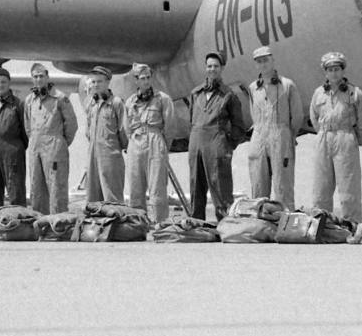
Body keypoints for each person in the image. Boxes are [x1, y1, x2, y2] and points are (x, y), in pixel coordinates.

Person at [309, 52, 362, 223]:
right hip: (324, 138)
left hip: (345, 138)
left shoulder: (355, 93)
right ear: (325, 72)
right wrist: (323, 133)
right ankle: (320, 226)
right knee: (321, 188)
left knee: (348, 188)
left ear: (343, 71)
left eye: (337, 69)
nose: (334, 73)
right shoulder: (318, 94)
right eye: (330, 69)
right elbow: (314, 116)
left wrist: (353, 138)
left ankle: (352, 226)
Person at [188, 52, 249, 221]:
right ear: (205, 68)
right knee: (195, 186)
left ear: (221, 69)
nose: (212, 69)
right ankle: (197, 224)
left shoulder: (229, 95)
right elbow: (192, 119)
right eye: (209, 66)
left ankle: (224, 224)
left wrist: (226, 145)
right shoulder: (195, 93)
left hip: (217, 144)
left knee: (221, 187)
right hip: (196, 144)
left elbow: (239, 127)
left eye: (215, 66)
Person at [246, 45, 306, 209]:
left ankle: (285, 225)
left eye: (266, 60)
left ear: (273, 61)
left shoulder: (287, 85)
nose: (263, 64)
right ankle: (260, 224)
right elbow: (253, 113)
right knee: (258, 184)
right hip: (259, 134)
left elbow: (297, 115)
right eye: (259, 61)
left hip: (281, 134)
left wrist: (287, 135)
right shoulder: (253, 88)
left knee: (283, 186)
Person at [24, 62, 78, 214]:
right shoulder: (29, 100)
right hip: (35, 147)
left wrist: (60, 143)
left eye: (41, 76)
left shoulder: (59, 98)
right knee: (36, 186)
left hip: (54, 146)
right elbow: (28, 125)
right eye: (35, 76)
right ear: (32, 79)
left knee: (56, 186)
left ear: (47, 77)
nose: (39, 79)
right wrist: (35, 140)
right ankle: (40, 223)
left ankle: (59, 223)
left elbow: (71, 124)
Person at [123, 63, 174, 221]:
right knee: (135, 188)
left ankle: (160, 224)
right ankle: (138, 225)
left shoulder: (163, 99)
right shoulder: (130, 102)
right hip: (136, 142)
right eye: (142, 78)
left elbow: (170, 126)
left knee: (157, 187)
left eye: (148, 78)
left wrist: (162, 146)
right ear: (136, 80)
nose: (146, 81)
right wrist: (133, 141)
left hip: (155, 140)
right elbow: (126, 128)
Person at [0, 67, 27, 208]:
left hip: (12, 152)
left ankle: (20, 222)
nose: (0, 85)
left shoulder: (18, 104)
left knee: (15, 189)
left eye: (3, 82)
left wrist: (17, 148)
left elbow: (26, 131)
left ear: (9, 83)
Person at [83, 66, 127, 204]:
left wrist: (115, 148)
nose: (96, 85)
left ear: (108, 82)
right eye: (93, 82)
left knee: (112, 195)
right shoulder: (90, 104)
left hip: (110, 154)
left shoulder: (116, 103)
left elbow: (123, 131)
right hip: (93, 154)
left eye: (99, 81)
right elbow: (88, 131)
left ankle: (115, 224)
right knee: (92, 196)